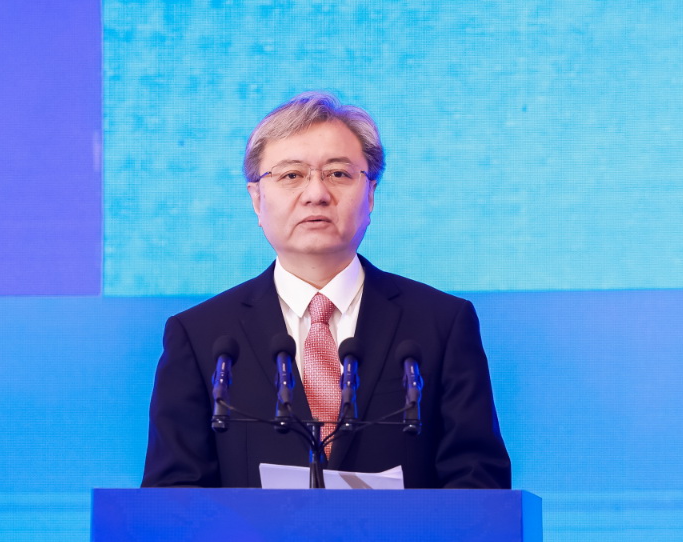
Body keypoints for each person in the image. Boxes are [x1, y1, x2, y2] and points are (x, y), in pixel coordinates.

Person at [141, 92, 511, 489]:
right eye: (291, 176)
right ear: (257, 199)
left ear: (370, 194)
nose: (316, 194)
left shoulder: (441, 324)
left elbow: (479, 484)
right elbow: (173, 496)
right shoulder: (201, 336)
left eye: (338, 174)